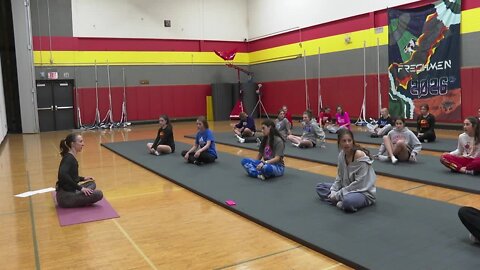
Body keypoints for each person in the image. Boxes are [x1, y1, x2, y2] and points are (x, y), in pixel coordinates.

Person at [315, 129, 376, 212]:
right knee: (320, 187)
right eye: (344, 141)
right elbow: (339, 177)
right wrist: (333, 190)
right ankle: (339, 200)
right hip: (345, 188)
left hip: (362, 192)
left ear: (353, 142)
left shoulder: (360, 156)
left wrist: (337, 195)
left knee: (348, 201)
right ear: (339, 143)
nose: (347, 143)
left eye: (349, 140)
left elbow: (359, 184)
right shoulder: (341, 155)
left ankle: (341, 201)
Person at [55, 133, 103, 208]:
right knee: (99, 194)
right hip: (65, 197)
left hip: (70, 191)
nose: (83, 144)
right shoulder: (68, 158)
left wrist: (83, 178)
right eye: (80, 142)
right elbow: (62, 174)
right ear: (73, 144)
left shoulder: (71, 156)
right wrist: (81, 188)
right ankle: (80, 198)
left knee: (92, 183)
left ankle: (80, 196)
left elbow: (71, 176)